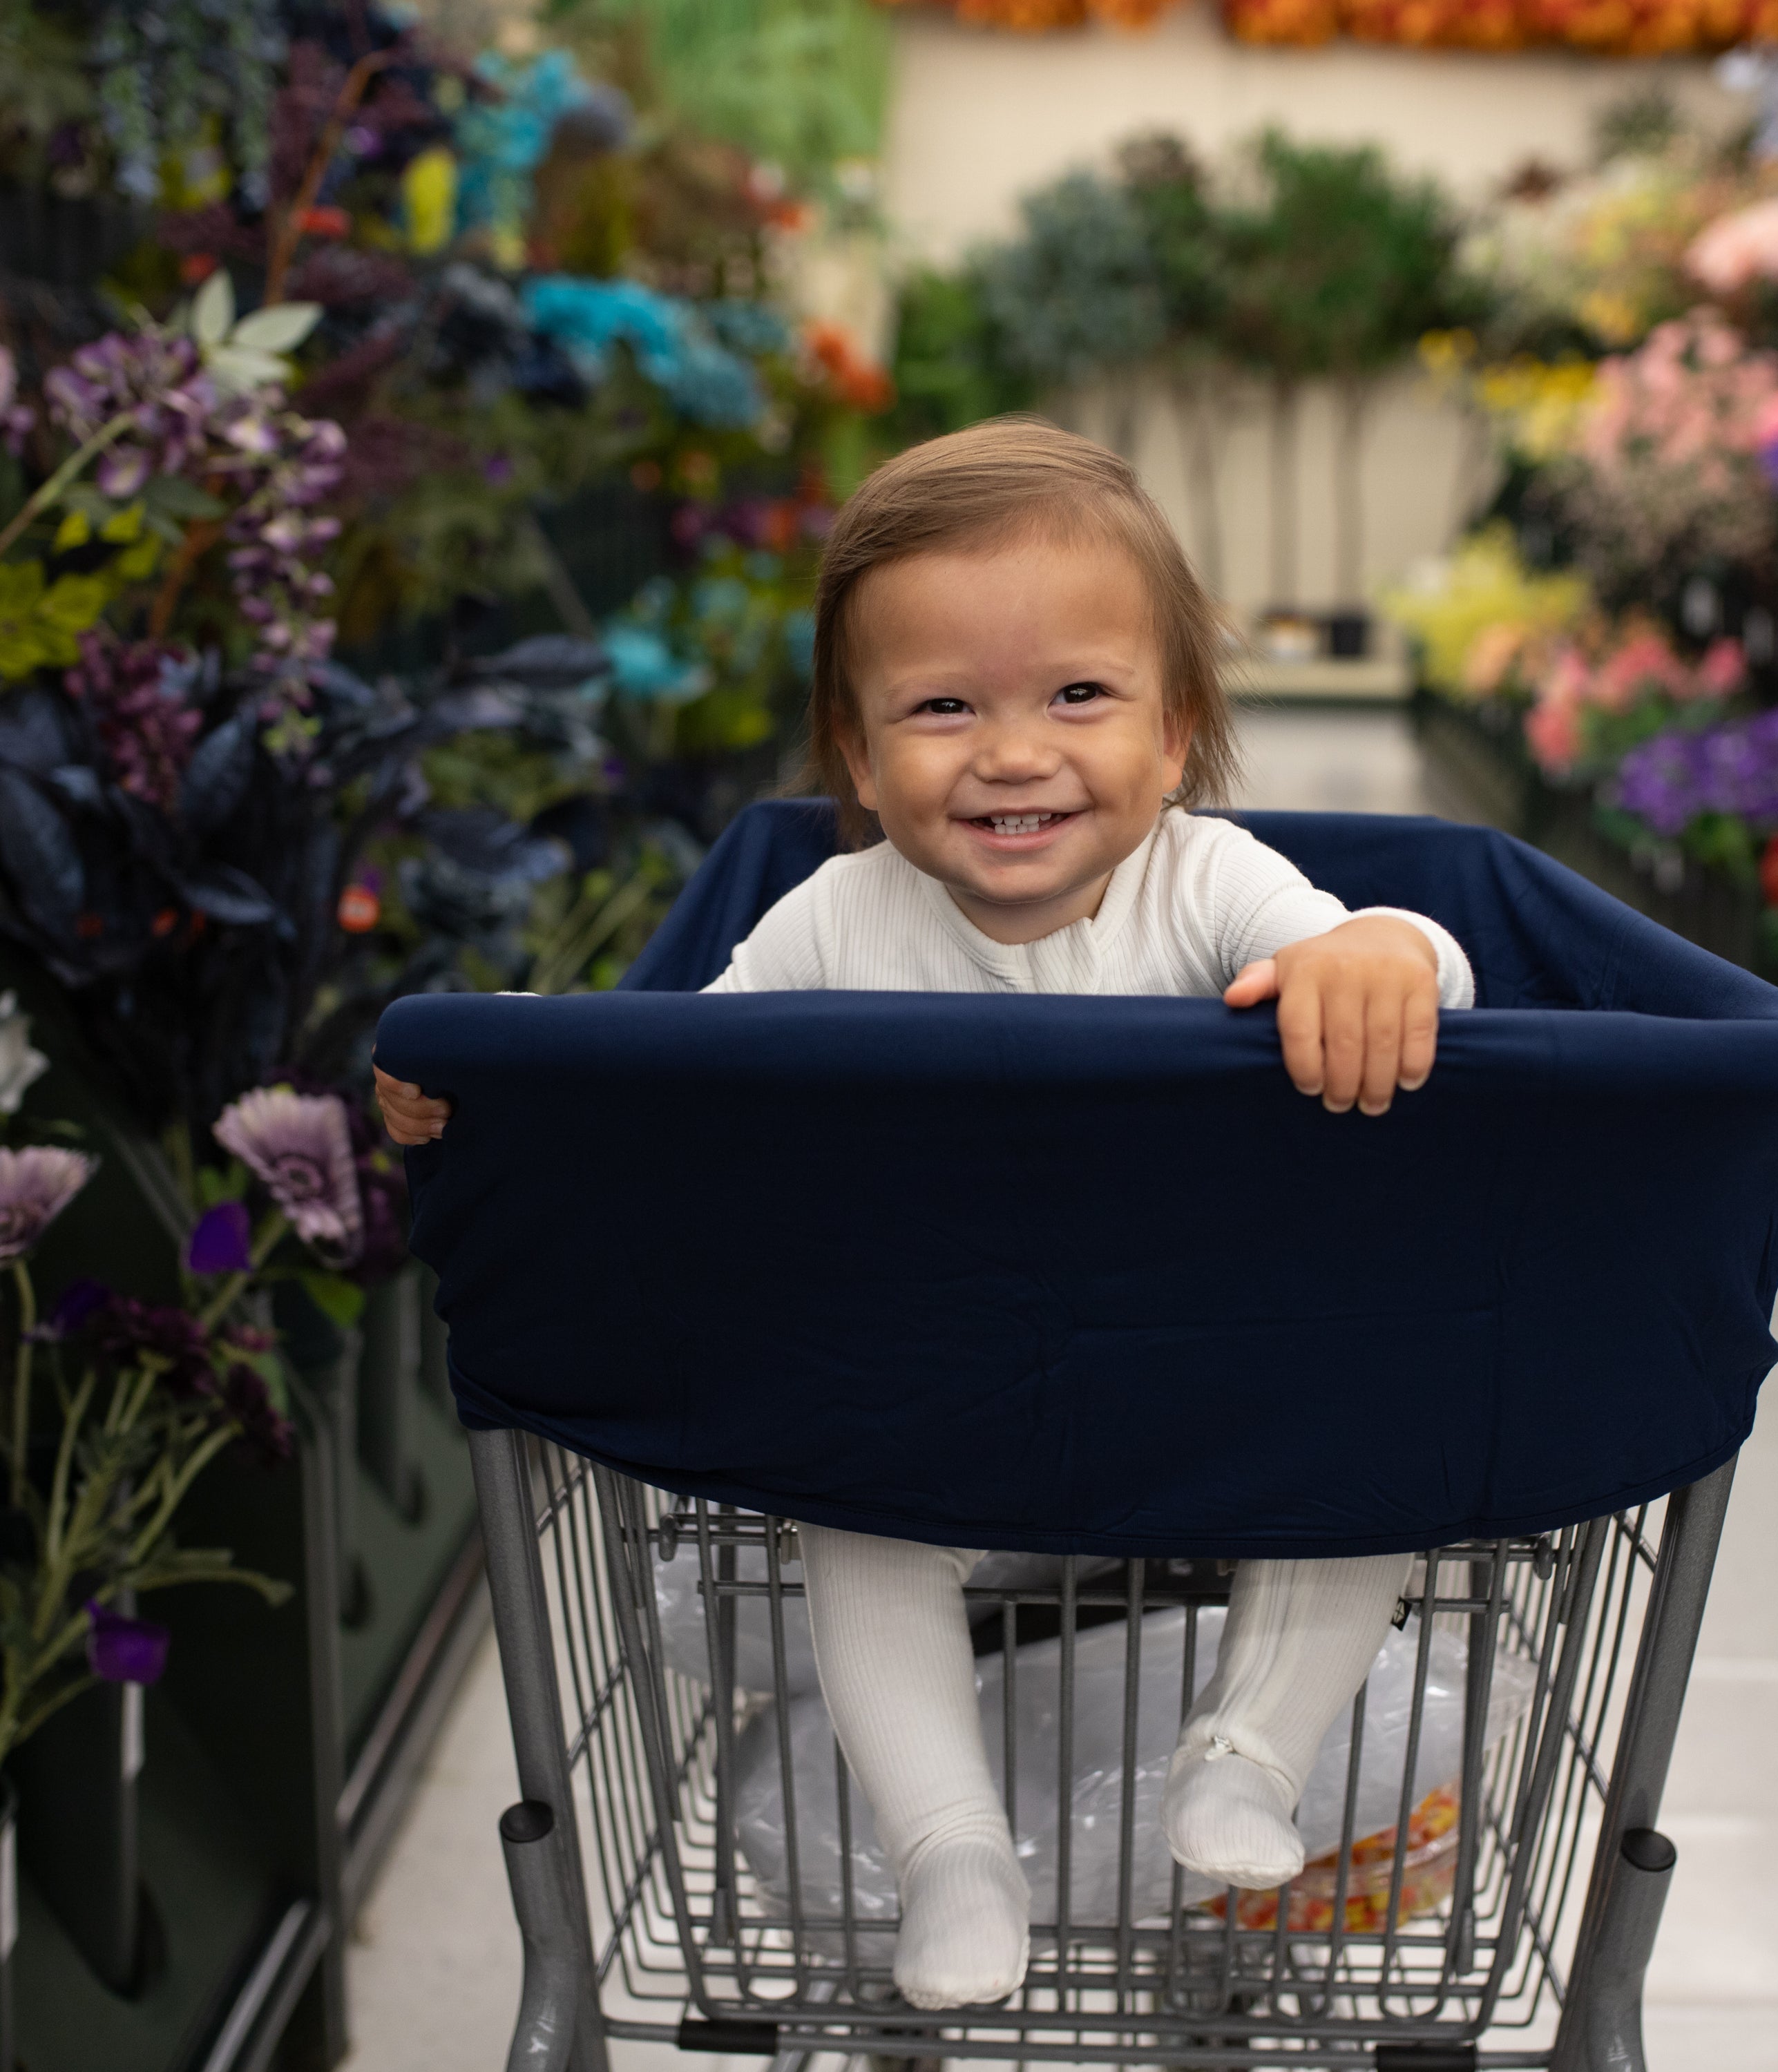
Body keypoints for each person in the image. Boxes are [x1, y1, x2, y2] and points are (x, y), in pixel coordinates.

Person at [376, 419, 1473, 2012]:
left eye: (1078, 697)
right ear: (856, 752)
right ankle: (952, 1845)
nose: (1012, 751)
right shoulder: (836, 914)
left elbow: (1405, 962)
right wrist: (491, 1094)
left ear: (1176, 737)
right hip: (933, 1392)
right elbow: (679, 1073)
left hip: (1207, 1381)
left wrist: (1377, 954)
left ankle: (1249, 1754)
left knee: (1377, 1455)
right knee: (859, 1535)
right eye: (943, 706)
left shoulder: (1211, 882)